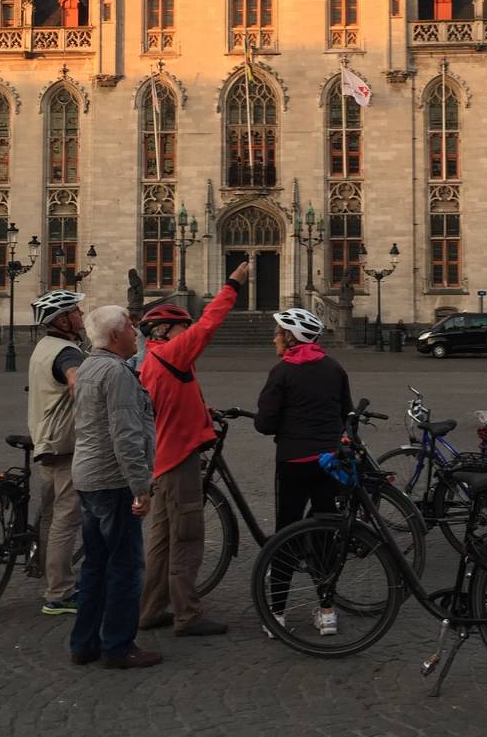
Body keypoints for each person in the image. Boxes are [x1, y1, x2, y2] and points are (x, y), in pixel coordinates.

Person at [138, 263, 249, 637]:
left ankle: (150, 609)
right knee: (187, 538)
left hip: (163, 459)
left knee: (162, 539)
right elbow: (208, 324)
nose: (188, 331)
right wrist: (232, 285)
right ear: (166, 330)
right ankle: (187, 614)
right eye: (181, 326)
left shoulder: (154, 362)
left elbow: (173, 400)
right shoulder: (171, 353)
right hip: (178, 460)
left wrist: (205, 412)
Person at [70, 306, 159, 669]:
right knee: (125, 566)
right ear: (115, 335)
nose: (135, 330)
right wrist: (141, 487)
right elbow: (126, 435)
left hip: (88, 477)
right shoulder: (116, 373)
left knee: (95, 564)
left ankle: (84, 643)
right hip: (113, 480)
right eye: (129, 326)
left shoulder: (90, 366)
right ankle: (119, 646)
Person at [255, 308, 353, 636]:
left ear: (290, 338)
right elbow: (345, 411)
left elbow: (265, 423)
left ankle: (277, 615)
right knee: (324, 534)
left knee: (286, 534)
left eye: (278, 333)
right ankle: (327, 611)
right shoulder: (334, 368)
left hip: (294, 463)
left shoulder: (282, 372)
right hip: (328, 463)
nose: (274, 338)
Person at [27, 290, 86, 616]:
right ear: (62, 320)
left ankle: (51, 578)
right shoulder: (67, 352)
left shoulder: (43, 347)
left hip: (43, 441)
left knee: (50, 516)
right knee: (66, 519)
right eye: (76, 312)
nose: (81, 315)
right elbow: (77, 380)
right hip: (64, 446)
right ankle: (60, 592)